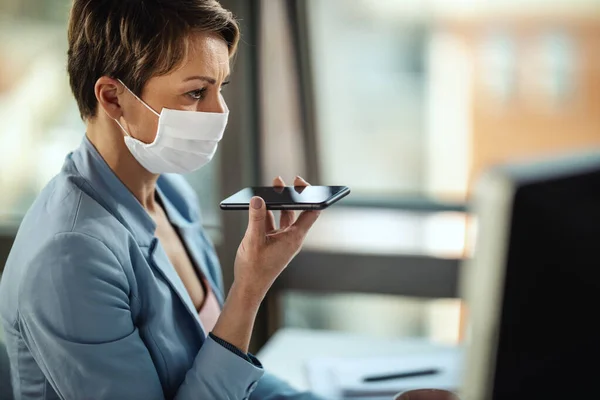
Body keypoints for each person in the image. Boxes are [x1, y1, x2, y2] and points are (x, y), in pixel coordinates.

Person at [0, 1, 323, 399]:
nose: (220, 111)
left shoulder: (171, 193)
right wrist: (249, 289)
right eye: (195, 92)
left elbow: (226, 374)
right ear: (114, 98)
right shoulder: (70, 255)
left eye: (219, 89)